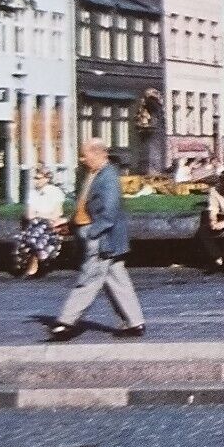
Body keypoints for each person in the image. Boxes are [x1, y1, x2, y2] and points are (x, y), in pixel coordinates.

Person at [47, 138, 145, 339]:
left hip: (101, 238)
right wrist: (71, 224)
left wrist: (93, 232)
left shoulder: (108, 177)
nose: (82, 159)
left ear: (100, 154)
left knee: (88, 279)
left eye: (86, 155)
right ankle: (135, 323)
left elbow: (109, 212)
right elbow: (85, 205)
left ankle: (66, 323)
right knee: (117, 280)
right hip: (97, 234)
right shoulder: (94, 174)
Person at [15, 169, 68, 278]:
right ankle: (38, 260)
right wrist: (43, 214)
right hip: (35, 223)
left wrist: (39, 214)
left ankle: (35, 267)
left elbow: (57, 213)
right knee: (29, 236)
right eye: (34, 178)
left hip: (51, 223)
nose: (35, 181)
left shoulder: (55, 192)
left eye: (38, 178)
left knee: (35, 235)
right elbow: (29, 214)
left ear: (47, 179)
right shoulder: (32, 193)